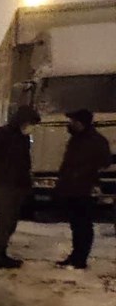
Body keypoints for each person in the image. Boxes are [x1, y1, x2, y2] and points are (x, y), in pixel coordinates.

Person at [0, 105, 41, 269]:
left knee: (11, 221)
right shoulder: (2, 134)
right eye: (30, 123)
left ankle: (2, 253)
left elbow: (24, 162)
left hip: (18, 184)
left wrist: (26, 184)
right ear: (23, 121)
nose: (31, 128)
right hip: (3, 184)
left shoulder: (23, 138)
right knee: (5, 221)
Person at [54, 109, 113, 270]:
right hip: (72, 188)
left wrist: (85, 171)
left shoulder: (95, 140)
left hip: (84, 188)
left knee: (84, 225)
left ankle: (80, 259)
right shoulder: (77, 139)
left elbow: (105, 161)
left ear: (81, 123)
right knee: (76, 224)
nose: (70, 124)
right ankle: (76, 256)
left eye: (73, 121)